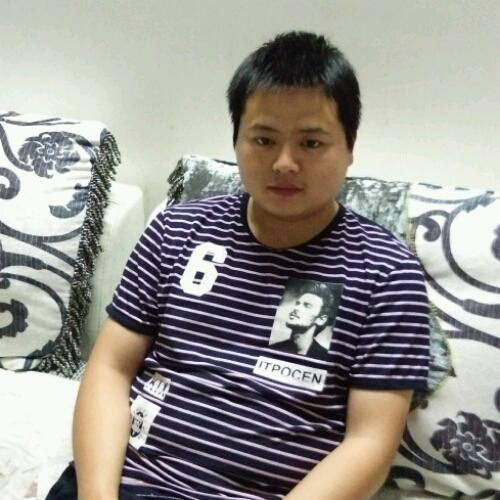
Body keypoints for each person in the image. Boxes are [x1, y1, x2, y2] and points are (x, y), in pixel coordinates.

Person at [47, 30, 430, 500]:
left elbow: (370, 442)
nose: (284, 163)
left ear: (349, 148)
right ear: (236, 141)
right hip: (126, 483)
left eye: (311, 143)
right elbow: (110, 368)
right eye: (264, 139)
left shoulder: (387, 274)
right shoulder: (176, 230)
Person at [270, 281, 334, 360]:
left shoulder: (325, 358)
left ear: (321, 319)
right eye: (297, 303)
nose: (296, 308)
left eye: (307, 306)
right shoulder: (273, 350)